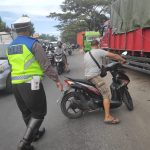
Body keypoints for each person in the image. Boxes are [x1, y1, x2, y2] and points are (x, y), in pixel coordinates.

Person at [7, 16, 63, 150]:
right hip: (32, 82)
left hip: (16, 84)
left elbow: (11, 65)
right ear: (28, 29)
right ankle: (24, 143)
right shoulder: (33, 44)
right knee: (38, 113)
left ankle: (35, 134)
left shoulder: (10, 47)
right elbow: (46, 65)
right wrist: (57, 80)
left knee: (26, 112)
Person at [84, 40, 126, 125]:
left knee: (101, 91)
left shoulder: (87, 54)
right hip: (94, 77)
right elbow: (113, 55)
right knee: (106, 93)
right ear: (98, 45)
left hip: (87, 76)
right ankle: (107, 117)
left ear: (91, 45)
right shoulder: (98, 51)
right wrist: (122, 59)